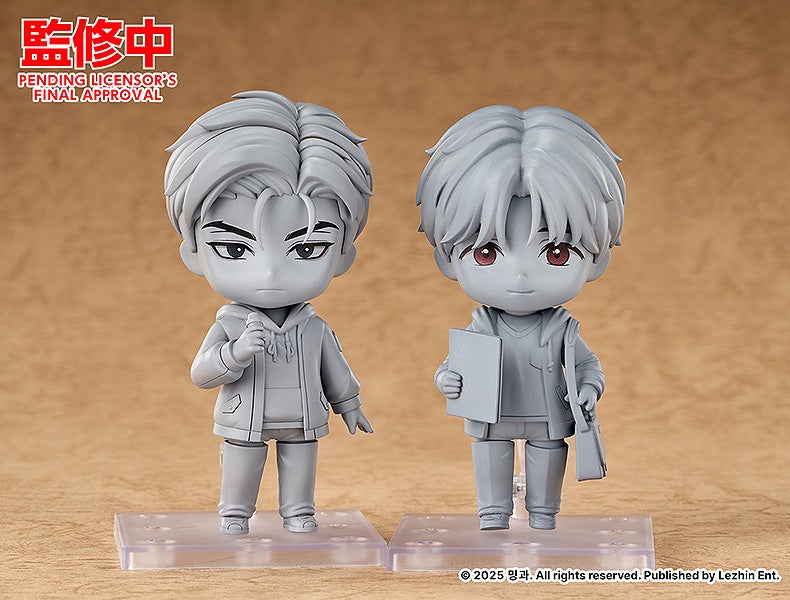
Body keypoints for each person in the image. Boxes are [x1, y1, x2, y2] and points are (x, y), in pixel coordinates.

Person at [165, 91, 373, 534]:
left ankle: (298, 511)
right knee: (241, 463)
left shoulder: (314, 327)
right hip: (245, 416)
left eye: (308, 249)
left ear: (342, 255)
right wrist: (235, 353)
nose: (271, 272)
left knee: (300, 464)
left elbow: (334, 369)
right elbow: (202, 374)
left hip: (303, 415)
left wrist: (349, 404)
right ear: (194, 252)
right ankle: (234, 513)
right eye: (234, 248)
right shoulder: (229, 325)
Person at [416, 105, 625, 530]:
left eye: (556, 252)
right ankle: (493, 511)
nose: (520, 276)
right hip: (492, 413)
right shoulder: (483, 324)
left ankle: (543, 513)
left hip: (549, 414)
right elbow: (455, 364)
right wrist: (446, 379)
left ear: (598, 259)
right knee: (490, 454)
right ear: (447, 260)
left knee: (547, 456)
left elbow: (587, 365)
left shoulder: (562, 327)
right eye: (487, 252)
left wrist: (589, 388)